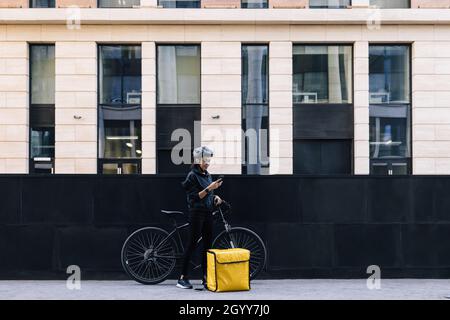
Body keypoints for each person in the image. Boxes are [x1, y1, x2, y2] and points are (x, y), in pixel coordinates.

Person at [176, 146, 223, 289]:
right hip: (196, 213)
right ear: (198, 160)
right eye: (204, 160)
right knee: (192, 244)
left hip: (207, 212)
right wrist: (210, 188)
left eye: (208, 160)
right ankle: (182, 278)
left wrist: (215, 197)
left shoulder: (207, 175)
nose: (207, 162)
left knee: (208, 247)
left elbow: (207, 195)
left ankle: (205, 277)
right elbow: (193, 198)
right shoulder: (192, 175)